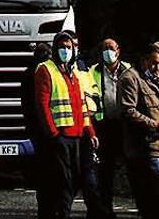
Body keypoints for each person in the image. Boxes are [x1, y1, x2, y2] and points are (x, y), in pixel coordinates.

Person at [31, 27, 105, 218]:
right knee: (64, 182)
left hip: (78, 136)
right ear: (55, 49)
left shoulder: (72, 72)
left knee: (74, 182)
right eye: (62, 47)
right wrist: (54, 134)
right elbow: (42, 104)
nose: (66, 50)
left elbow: (82, 106)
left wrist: (91, 132)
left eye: (69, 47)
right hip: (61, 137)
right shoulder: (46, 69)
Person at [118, 42, 159, 217]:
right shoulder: (131, 78)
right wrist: (154, 125)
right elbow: (128, 111)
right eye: (154, 63)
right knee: (158, 198)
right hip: (145, 148)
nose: (157, 68)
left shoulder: (156, 80)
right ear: (144, 60)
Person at [83, 36, 131, 218]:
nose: (108, 52)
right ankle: (106, 209)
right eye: (104, 48)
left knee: (132, 166)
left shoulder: (128, 69)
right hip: (104, 126)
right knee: (105, 170)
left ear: (118, 51)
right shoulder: (93, 71)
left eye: (111, 48)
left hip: (126, 125)